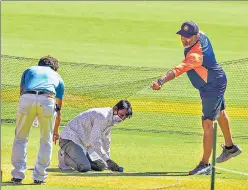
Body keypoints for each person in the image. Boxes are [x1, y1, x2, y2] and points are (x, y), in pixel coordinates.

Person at [152, 21, 242, 175]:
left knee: (207, 122)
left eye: (188, 37)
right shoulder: (203, 36)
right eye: (182, 36)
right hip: (215, 81)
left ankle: (205, 164)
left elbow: (178, 69)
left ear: (196, 36)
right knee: (219, 112)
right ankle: (230, 148)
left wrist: (161, 81)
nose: (185, 40)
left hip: (211, 87)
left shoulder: (196, 55)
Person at [11, 56, 65, 184]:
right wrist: (56, 130)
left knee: (20, 138)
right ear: (54, 67)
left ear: (39, 64)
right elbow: (59, 108)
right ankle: (39, 177)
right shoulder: (57, 76)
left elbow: (21, 92)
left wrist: (31, 111)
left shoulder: (29, 70)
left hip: (26, 98)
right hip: (48, 99)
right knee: (46, 140)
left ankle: (18, 175)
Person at [57, 100, 132, 173]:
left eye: (124, 118)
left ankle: (79, 156)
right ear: (115, 109)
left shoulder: (111, 120)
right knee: (84, 167)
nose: (121, 119)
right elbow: (94, 141)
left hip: (83, 144)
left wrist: (108, 161)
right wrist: (107, 160)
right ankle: (63, 156)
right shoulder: (102, 116)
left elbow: (106, 140)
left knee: (101, 166)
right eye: (121, 115)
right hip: (69, 139)